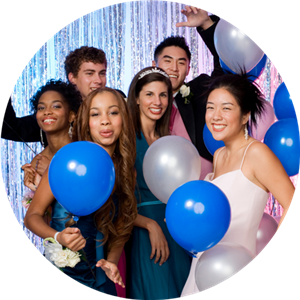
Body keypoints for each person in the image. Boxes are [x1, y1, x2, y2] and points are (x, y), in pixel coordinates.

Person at [180, 73, 295, 297]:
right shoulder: (219, 155)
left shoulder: (256, 153)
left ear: (245, 116)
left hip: (235, 266)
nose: (215, 116)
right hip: (203, 268)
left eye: (226, 108)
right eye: (210, 107)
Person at [24, 87, 137, 296]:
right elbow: (32, 216)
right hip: (67, 271)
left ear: (124, 118)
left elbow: (123, 224)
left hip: (101, 279)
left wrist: (112, 260)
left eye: (113, 112)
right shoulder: (65, 161)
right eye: (96, 114)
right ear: (85, 121)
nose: (105, 121)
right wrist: (58, 236)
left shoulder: (126, 171)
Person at [126, 67, 192, 300]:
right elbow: (116, 202)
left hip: (176, 229)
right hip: (145, 230)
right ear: (136, 98)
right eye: (149, 94)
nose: (157, 101)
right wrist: (150, 226)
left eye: (163, 95)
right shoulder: (126, 141)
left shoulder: (169, 141)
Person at [1, 46, 125, 149]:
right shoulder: (57, 110)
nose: (98, 80)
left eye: (102, 73)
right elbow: (10, 128)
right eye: (90, 73)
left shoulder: (118, 100)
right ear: (72, 77)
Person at [152, 6, 224, 179]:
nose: (174, 68)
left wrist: (206, 24)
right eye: (168, 61)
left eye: (181, 63)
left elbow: (225, 64)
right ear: (155, 66)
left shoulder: (199, 90)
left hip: (205, 184)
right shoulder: (143, 101)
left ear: (189, 68)